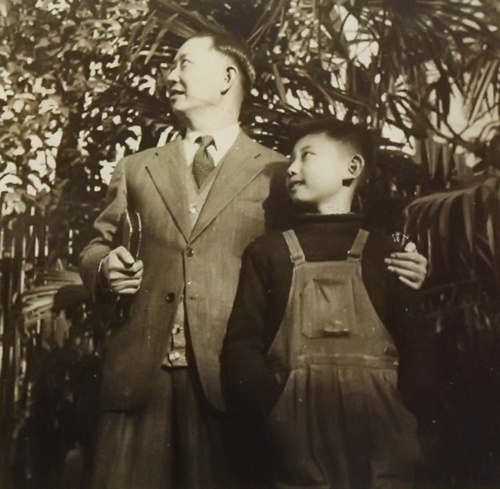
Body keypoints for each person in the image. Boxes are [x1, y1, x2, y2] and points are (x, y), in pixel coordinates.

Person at [80, 31, 427, 489]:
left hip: (229, 385)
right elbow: (96, 245)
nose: (170, 75)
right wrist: (104, 268)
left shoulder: (281, 172)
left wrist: (405, 261)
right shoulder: (136, 167)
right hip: (138, 379)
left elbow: (335, 240)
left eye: (183, 63)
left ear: (227, 77)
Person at [221, 118, 422, 489]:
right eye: (290, 159)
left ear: (352, 168)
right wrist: (271, 411)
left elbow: (419, 350)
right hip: (292, 436)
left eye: (307, 155)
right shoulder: (269, 252)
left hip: (382, 434)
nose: (291, 168)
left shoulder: (387, 254)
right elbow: (242, 344)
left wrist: (404, 415)